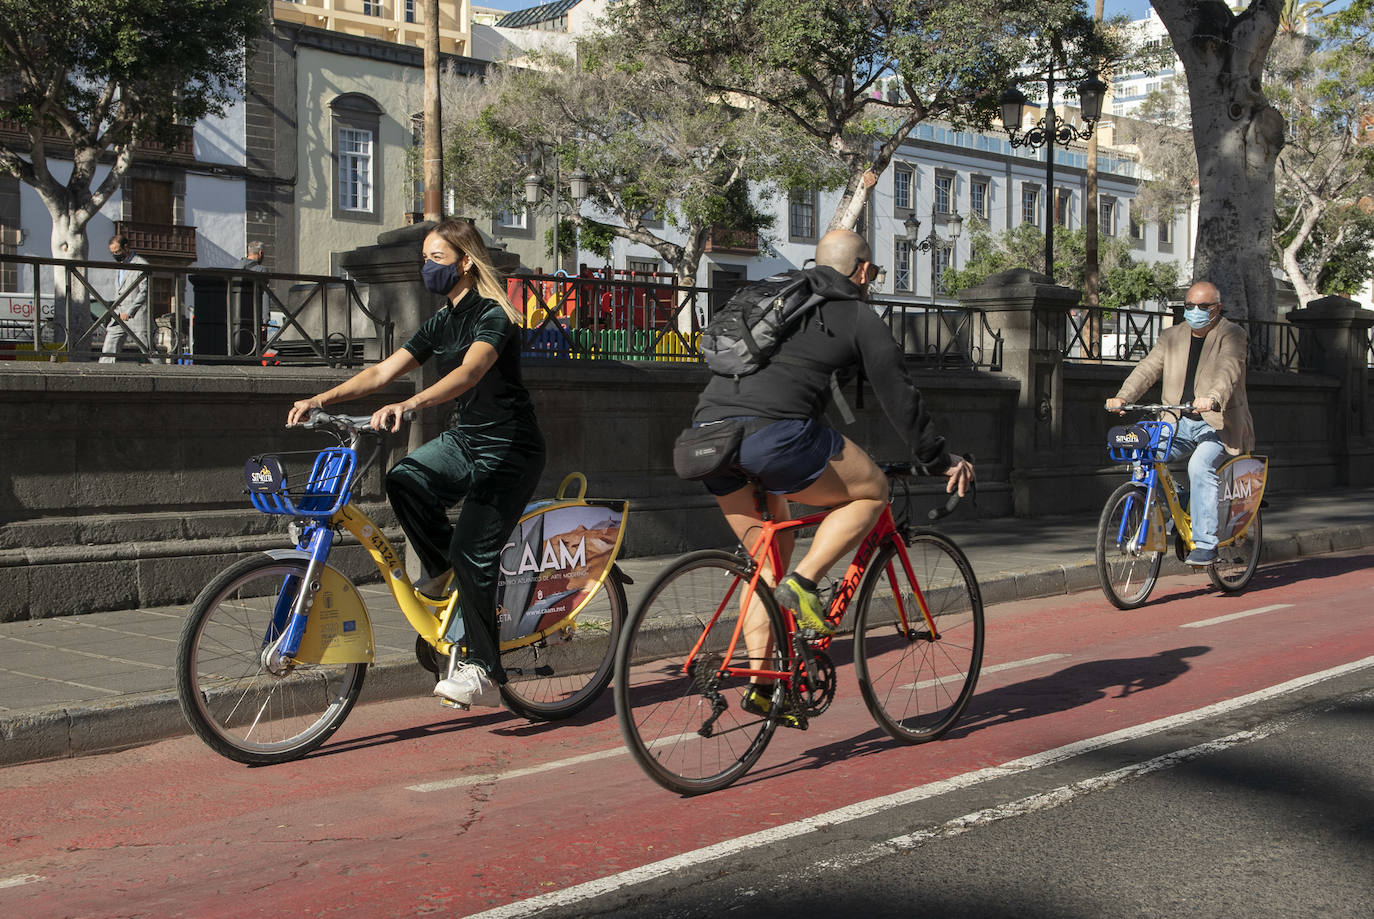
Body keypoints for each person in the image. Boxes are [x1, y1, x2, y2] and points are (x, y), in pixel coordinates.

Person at [687, 228, 974, 723]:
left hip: (704, 439)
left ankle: (764, 684)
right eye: (875, 272)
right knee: (873, 492)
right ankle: (807, 582)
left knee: (765, 567)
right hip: (775, 437)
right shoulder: (857, 314)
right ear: (862, 271)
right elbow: (899, 396)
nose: (873, 280)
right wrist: (939, 457)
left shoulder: (776, 300)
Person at [287, 219, 546, 709]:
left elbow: (471, 372)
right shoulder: (442, 321)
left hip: (510, 448)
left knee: (475, 550)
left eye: (437, 259)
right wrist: (320, 398)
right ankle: (446, 567)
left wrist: (409, 406)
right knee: (405, 480)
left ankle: (484, 672)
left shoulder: (494, 315)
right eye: (424, 258)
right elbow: (383, 370)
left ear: (465, 262)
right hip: (467, 439)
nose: (427, 267)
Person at [1106, 280, 1254, 567]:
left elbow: (1229, 369)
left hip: (1218, 424)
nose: (1195, 311)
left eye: (1202, 306)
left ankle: (1207, 545)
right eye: (1189, 306)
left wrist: (1212, 397)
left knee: (1199, 466)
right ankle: (1184, 502)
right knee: (1143, 458)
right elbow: (1148, 368)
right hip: (1176, 421)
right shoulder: (1172, 336)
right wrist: (1123, 396)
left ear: (1217, 308)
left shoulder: (1232, 335)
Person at [99, 235, 150, 363]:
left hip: (136, 315)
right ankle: (102, 374)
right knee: (108, 348)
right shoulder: (121, 265)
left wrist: (130, 311)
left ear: (126, 247)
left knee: (148, 350)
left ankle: (162, 374)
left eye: (117, 251)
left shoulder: (141, 264)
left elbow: (144, 292)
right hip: (118, 315)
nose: (115, 255)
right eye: (112, 253)